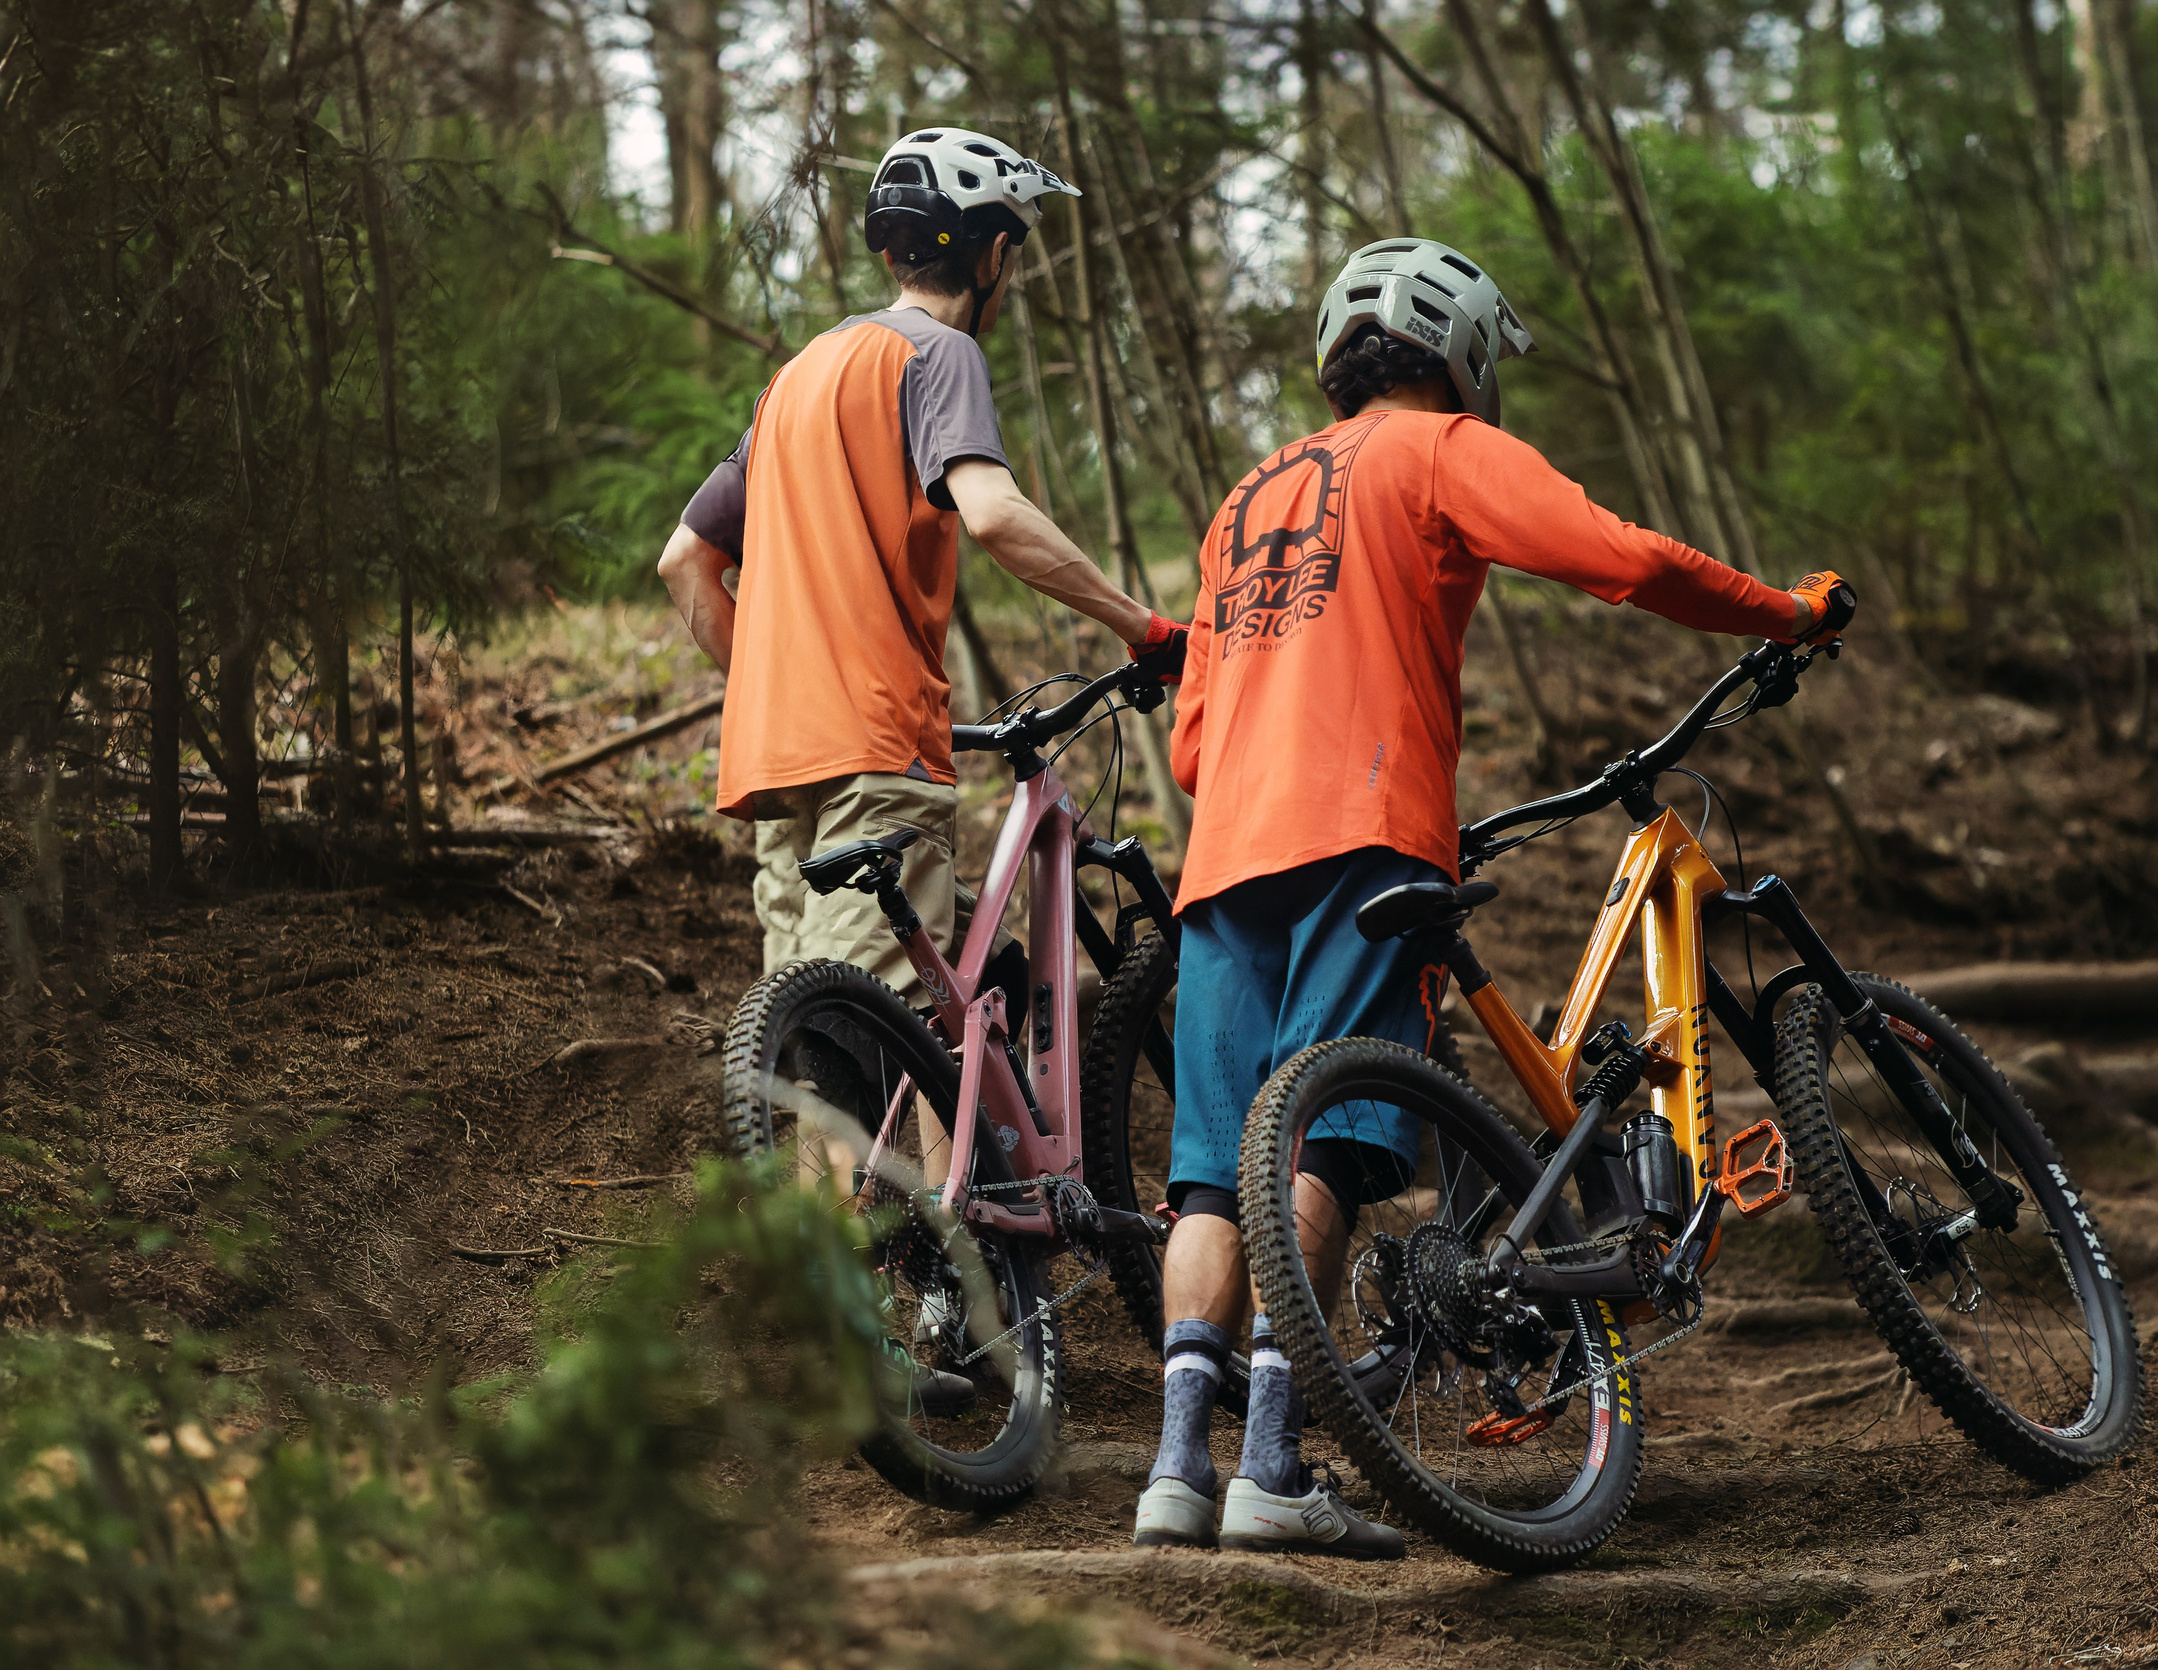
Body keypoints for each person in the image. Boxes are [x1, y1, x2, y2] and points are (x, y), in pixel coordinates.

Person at [1133, 239, 1854, 1558]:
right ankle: (1274, 1465)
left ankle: (1178, 1470)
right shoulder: (1439, 448)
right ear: (1455, 349)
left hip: (1223, 863)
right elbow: (1615, 555)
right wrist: (1781, 613)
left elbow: (1189, 745)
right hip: (1360, 831)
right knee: (1323, 1152)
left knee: (1208, 1183)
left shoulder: (1243, 500)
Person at [657, 125, 1187, 997]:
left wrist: (775, 685)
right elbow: (994, 515)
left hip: (775, 765)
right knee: (877, 1056)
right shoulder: (940, 354)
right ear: (996, 255)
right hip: (875, 754)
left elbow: (686, 562)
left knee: (824, 1058)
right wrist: (1143, 625)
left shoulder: (795, 379)